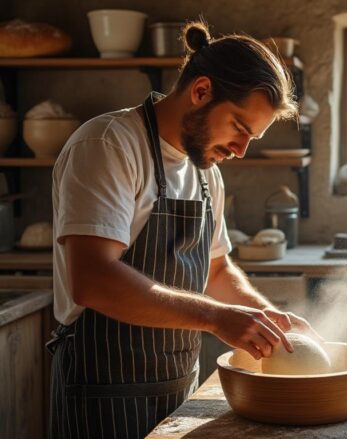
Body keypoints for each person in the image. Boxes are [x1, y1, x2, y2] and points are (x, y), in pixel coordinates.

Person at [47, 21, 319, 438]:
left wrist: (265, 317)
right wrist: (216, 317)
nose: (241, 150)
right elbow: (92, 279)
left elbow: (216, 270)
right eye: (240, 129)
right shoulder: (109, 144)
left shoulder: (205, 170)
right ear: (201, 91)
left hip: (177, 387)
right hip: (100, 390)